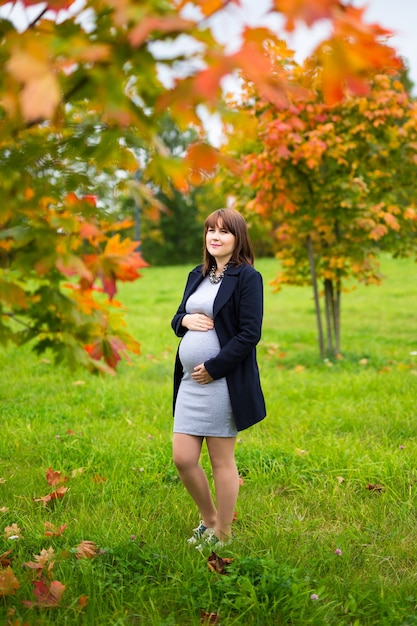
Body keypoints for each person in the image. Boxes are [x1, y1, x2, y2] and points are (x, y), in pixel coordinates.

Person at [171, 207, 266, 549]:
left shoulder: (247, 278)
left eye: (224, 231)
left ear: (237, 238)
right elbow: (177, 316)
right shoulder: (197, 274)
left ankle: (223, 533)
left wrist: (214, 367)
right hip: (188, 382)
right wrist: (184, 321)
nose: (215, 236)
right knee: (182, 457)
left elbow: (249, 333)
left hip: (222, 382)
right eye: (210, 230)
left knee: (220, 459)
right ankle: (208, 519)